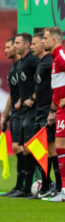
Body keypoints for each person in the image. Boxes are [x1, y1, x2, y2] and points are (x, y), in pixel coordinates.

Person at [43, 27, 65, 201]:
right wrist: (52, 110)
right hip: (61, 109)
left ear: (54, 41)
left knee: (61, 147)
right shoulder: (55, 59)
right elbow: (58, 89)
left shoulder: (62, 56)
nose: (43, 42)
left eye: (46, 38)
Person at [8, 33, 40, 198]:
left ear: (26, 45)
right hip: (23, 111)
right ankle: (21, 187)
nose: (15, 46)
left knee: (29, 148)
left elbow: (40, 82)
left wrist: (32, 98)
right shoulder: (21, 63)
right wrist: (21, 99)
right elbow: (25, 85)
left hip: (33, 110)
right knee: (21, 148)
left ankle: (29, 187)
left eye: (17, 43)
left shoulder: (34, 61)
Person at [31, 32, 57, 198]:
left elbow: (56, 87)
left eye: (34, 44)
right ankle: (46, 184)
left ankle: (50, 185)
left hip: (47, 112)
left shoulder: (49, 63)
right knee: (38, 150)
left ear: (42, 45)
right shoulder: (41, 63)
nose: (32, 47)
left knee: (49, 150)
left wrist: (52, 110)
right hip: (39, 111)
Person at [0, 37, 24, 197]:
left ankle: (28, 185)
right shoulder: (14, 68)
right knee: (17, 148)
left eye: (10, 46)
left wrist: (25, 99)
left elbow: (29, 88)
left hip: (25, 113)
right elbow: (12, 95)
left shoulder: (24, 66)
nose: (6, 50)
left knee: (23, 148)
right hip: (15, 113)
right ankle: (19, 186)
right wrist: (5, 114)